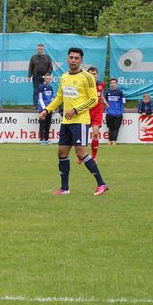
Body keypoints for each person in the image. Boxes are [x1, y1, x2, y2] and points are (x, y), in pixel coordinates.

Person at [39, 47, 109, 196]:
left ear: (81, 60)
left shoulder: (87, 77)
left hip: (80, 120)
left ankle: (101, 184)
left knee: (80, 152)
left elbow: (93, 99)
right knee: (62, 152)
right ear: (67, 59)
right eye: (71, 57)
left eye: (76, 58)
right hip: (66, 121)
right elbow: (59, 97)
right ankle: (64, 188)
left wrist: (76, 110)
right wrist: (46, 110)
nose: (73, 60)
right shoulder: (64, 76)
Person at [86, 66, 107, 161]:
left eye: (94, 74)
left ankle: (94, 157)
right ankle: (82, 155)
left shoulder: (101, 85)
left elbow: (100, 95)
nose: (93, 75)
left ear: (97, 75)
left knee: (95, 134)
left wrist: (104, 102)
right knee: (82, 135)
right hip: (86, 111)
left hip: (97, 112)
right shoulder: (84, 85)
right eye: (90, 74)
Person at [104, 79, 125, 145]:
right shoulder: (107, 92)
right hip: (109, 113)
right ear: (110, 84)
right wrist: (106, 110)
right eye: (111, 83)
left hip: (118, 114)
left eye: (114, 83)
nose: (113, 84)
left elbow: (123, 101)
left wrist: (121, 110)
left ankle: (114, 141)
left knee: (116, 128)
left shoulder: (120, 92)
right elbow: (105, 101)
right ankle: (110, 140)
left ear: (116, 84)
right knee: (110, 128)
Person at [37, 72, 55, 144]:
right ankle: (41, 139)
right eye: (47, 78)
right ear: (44, 79)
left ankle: (47, 139)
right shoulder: (41, 87)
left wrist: (52, 107)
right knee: (42, 124)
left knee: (48, 124)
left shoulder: (50, 87)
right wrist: (44, 108)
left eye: (49, 78)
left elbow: (52, 98)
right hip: (43, 109)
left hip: (49, 108)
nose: (48, 80)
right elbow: (40, 98)